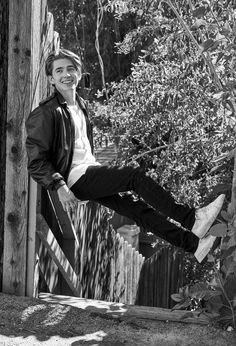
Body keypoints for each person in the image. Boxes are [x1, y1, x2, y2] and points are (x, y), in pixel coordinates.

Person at [25, 49, 225, 264]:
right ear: (51, 78)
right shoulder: (46, 112)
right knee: (134, 176)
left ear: (79, 73)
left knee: (137, 209)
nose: (66, 74)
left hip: (88, 172)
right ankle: (192, 219)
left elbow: (82, 151)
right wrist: (59, 186)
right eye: (59, 70)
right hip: (75, 178)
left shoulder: (80, 105)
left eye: (71, 69)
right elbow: (36, 161)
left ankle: (194, 245)